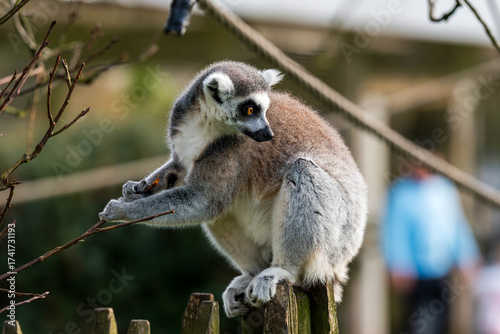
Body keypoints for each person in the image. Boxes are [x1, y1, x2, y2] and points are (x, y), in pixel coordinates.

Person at [382, 161, 480, 334]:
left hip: (443, 271)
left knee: (442, 322)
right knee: (418, 323)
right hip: (415, 274)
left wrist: (467, 255)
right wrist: (399, 264)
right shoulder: (400, 192)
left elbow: (456, 225)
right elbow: (395, 231)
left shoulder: (445, 189)